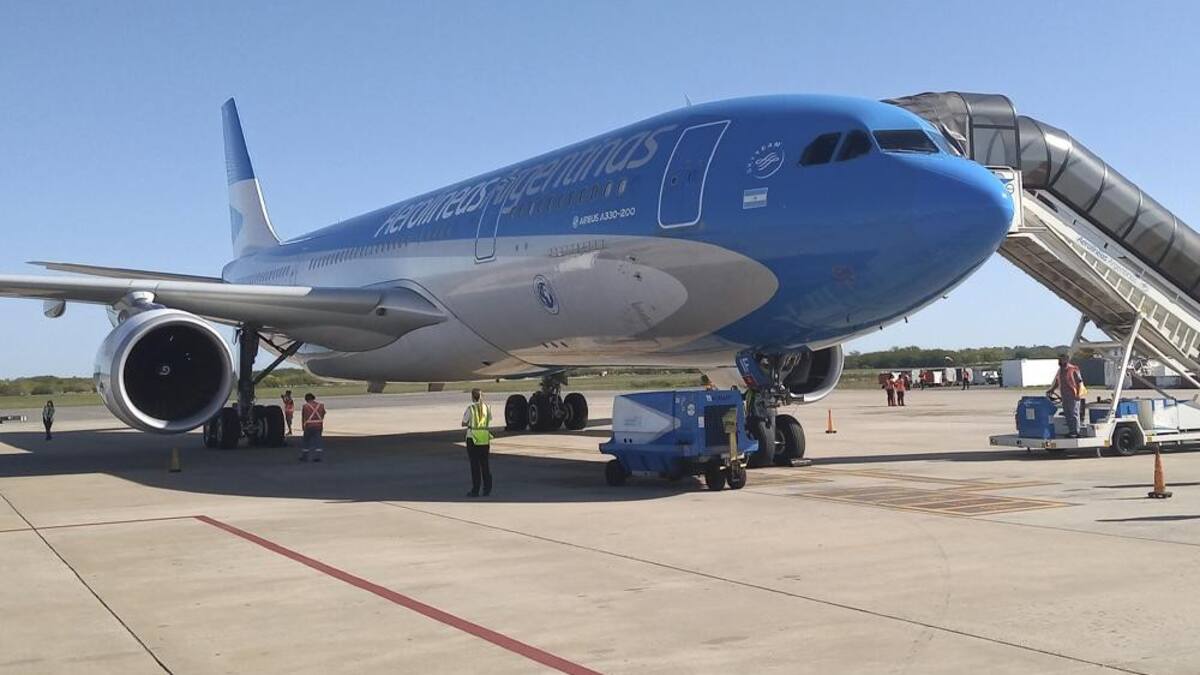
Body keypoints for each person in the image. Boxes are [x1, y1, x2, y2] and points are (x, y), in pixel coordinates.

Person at [461, 388, 493, 497]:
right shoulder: (487, 408)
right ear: (481, 396)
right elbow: (489, 419)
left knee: (475, 466)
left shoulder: (471, 408)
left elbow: (464, 423)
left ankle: (475, 490)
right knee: (485, 465)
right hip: (484, 438)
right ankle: (487, 489)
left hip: (472, 438)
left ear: (472, 397)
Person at [1047, 354, 1084, 438]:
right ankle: (1071, 431)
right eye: (1059, 360)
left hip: (1073, 395)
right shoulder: (1060, 371)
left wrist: (1078, 394)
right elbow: (1057, 382)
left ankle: (1076, 432)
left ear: (1066, 360)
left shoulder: (1073, 369)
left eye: (1061, 360)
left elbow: (1079, 383)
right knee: (1067, 414)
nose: (1059, 362)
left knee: (1074, 413)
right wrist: (1052, 389)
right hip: (1064, 396)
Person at [299, 393, 326, 462]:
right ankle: (318, 456)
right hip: (318, 425)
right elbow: (323, 413)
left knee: (306, 441)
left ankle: (305, 456)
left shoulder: (305, 406)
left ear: (306, 399)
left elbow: (303, 416)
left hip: (309, 426)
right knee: (318, 441)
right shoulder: (320, 405)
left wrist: (303, 426)